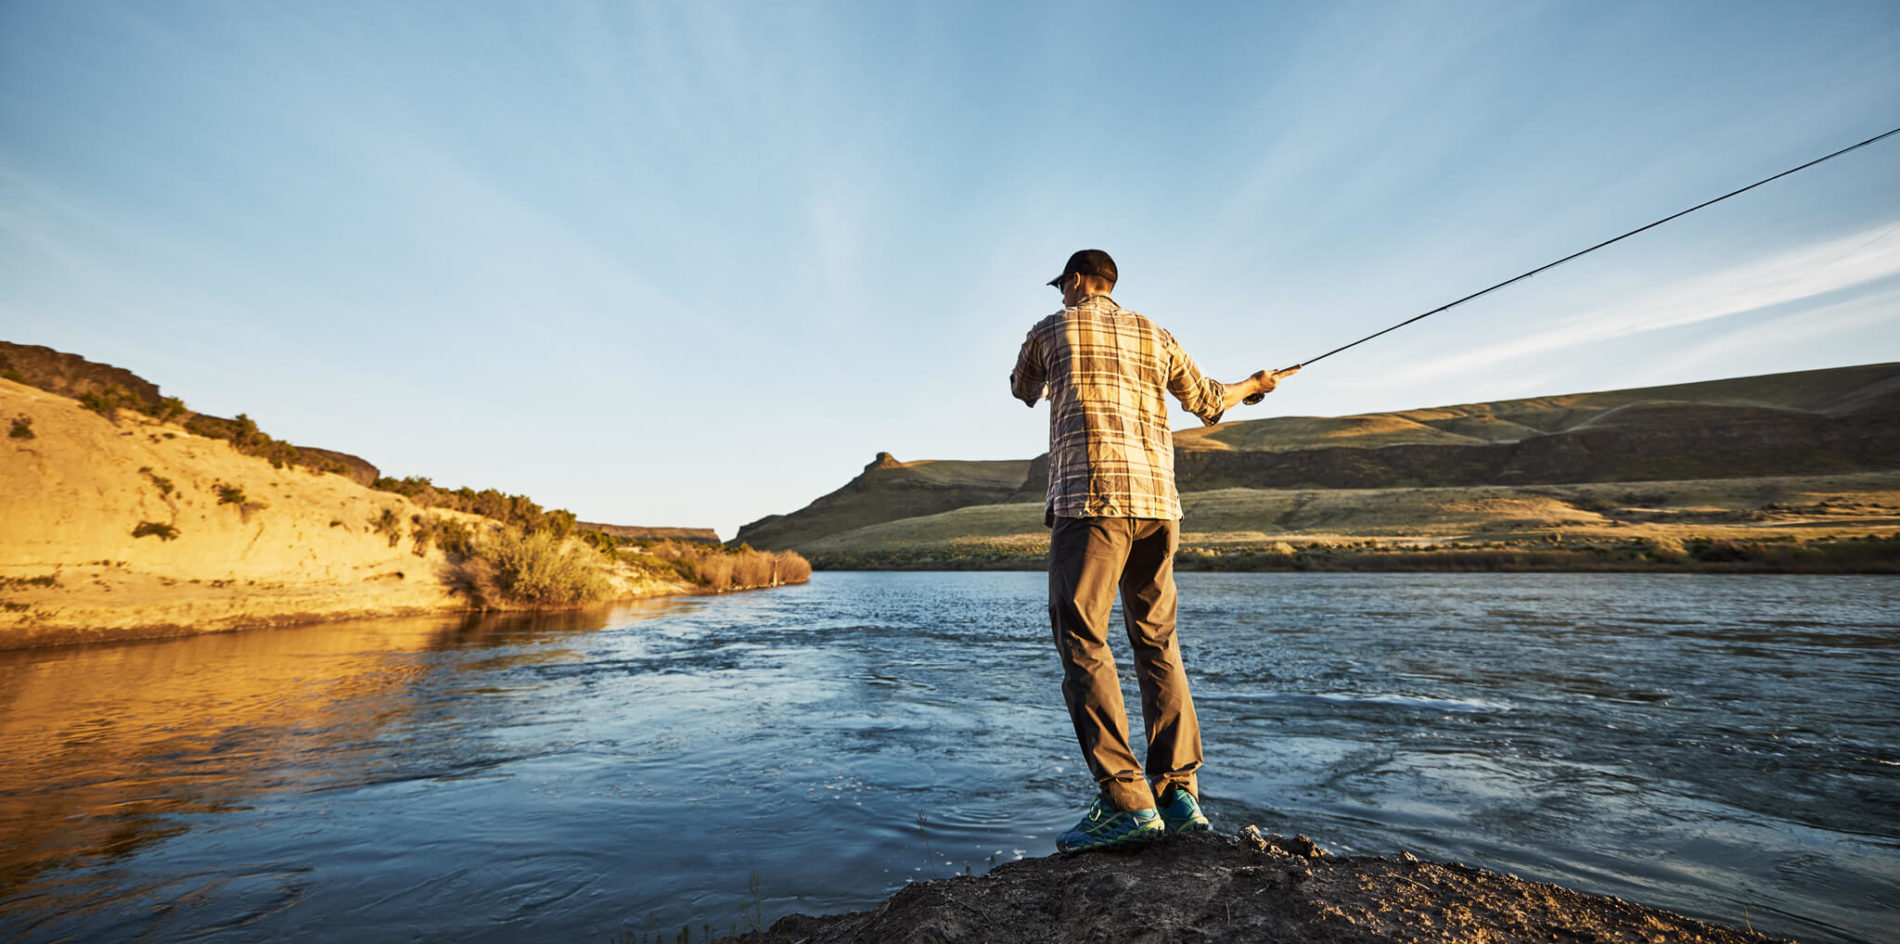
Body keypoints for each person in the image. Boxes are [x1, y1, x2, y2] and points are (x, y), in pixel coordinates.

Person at [1009, 249, 1295, 853]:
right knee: (1157, 641)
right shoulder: (1154, 332)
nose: (1061, 292)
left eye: (1064, 283)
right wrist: (1258, 385)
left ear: (1082, 280)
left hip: (1089, 504)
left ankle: (1125, 800)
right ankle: (1177, 792)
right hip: (1159, 509)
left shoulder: (1050, 329)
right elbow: (1212, 401)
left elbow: (1021, 390)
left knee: (1084, 641)